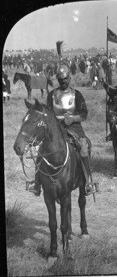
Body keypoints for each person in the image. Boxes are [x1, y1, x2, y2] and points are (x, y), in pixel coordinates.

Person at [27, 65, 97, 196]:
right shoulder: (52, 95)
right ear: (58, 80)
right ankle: (37, 183)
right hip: (56, 129)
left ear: (69, 78)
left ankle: (87, 182)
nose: (63, 81)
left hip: (74, 128)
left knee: (83, 147)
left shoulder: (77, 94)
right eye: (60, 79)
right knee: (41, 149)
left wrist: (73, 118)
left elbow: (84, 114)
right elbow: (47, 114)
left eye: (65, 79)